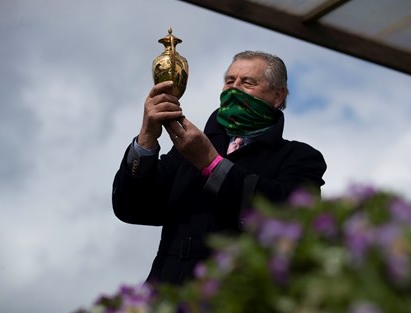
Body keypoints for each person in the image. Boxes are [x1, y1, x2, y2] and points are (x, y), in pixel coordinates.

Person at [112, 51, 327, 284]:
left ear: (278, 96)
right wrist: (146, 139)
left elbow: (288, 215)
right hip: (167, 298)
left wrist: (211, 164)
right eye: (229, 81)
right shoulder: (187, 150)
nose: (234, 89)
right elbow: (132, 207)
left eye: (247, 82)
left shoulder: (301, 158)